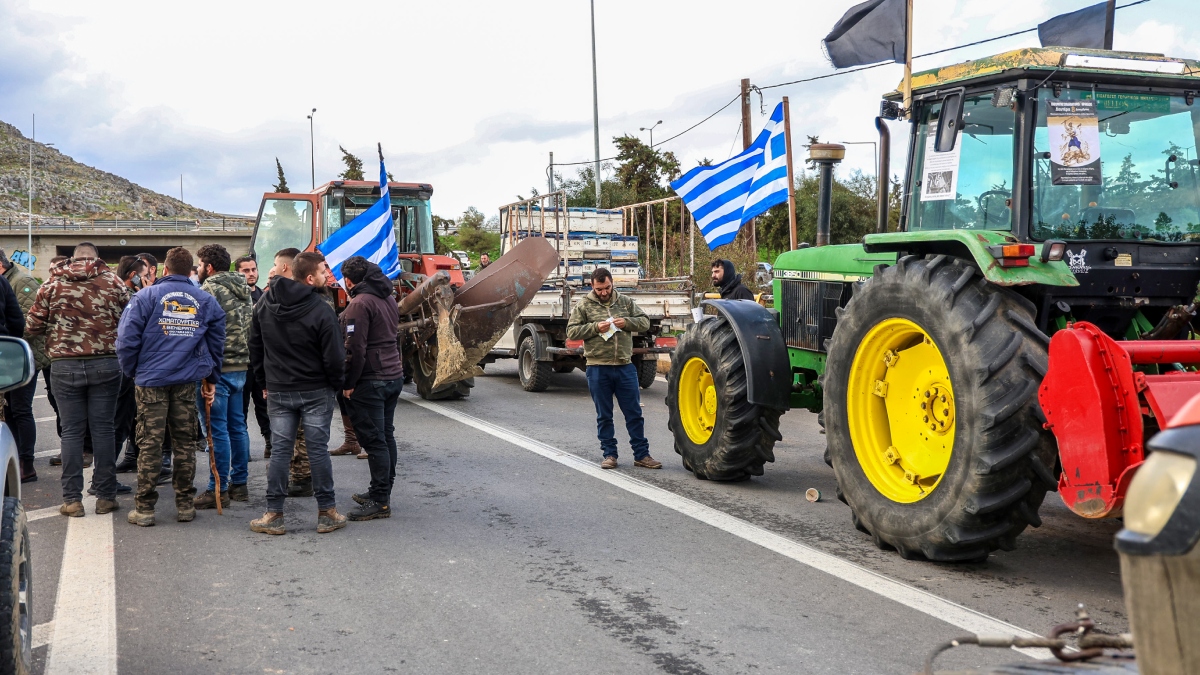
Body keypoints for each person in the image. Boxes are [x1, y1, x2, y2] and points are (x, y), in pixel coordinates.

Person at [118, 247, 224, 527]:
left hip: (151, 380)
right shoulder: (204, 299)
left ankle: (144, 508)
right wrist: (211, 377)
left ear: (165, 269)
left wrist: (133, 372)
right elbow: (217, 342)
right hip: (186, 380)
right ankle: (185, 504)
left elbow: (126, 339)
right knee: (184, 442)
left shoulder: (145, 296)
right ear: (190, 270)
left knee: (150, 442)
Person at [26, 242, 130, 517]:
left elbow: (32, 326)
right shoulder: (114, 282)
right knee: (104, 430)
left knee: (72, 432)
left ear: (74, 258)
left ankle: (72, 500)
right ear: (96, 258)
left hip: (64, 365)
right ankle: (106, 496)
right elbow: (131, 320)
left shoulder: (52, 283)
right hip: (106, 363)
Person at [249, 250, 346, 535]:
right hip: (316, 389)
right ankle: (327, 512)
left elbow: (255, 346)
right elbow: (334, 355)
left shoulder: (265, 302)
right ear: (308, 277)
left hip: (279, 388)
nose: (327, 275)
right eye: (323, 271)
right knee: (317, 451)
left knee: (280, 451)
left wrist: (264, 381)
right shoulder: (321, 308)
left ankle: (273, 514)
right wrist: (334, 383)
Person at [566, 268, 661, 470]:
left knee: (634, 413)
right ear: (592, 286)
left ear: (612, 284)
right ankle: (609, 454)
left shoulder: (625, 302)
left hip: (625, 366)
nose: (604, 292)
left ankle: (641, 455)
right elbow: (572, 332)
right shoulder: (583, 305)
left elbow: (644, 322)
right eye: (599, 289)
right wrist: (594, 328)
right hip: (597, 367)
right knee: (604, 415)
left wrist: (627, 322)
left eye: (607, 287)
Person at [337, 257, 403, 521]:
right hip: (392, 374)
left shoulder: (359, 303)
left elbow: (354, 349)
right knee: (385, 435)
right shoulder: (386, 297)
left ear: (349, 281)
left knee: (374, 440)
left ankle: (380, 499)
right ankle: (381, 491)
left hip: (372, 379)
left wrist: (348, 383)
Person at [194, 244, 252, 508]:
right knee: (237, 426)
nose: (197, 270)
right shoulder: (243, 287)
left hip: (218, 367)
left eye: (199, 265)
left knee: (216, 430)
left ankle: (218, 488)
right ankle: (240, 484)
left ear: (208, 267)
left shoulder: (209, 289)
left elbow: (203, 331)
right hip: (241, 365)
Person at [0, 249, 41, 483]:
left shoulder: (22, 281)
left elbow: (27, 322)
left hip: (18, 355)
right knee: (10, 411)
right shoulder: (6, 282)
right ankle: (14, 457)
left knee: (21, 409)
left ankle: (26, 462)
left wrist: (13, 347)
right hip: (10, 353)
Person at [236, 255, 272, 459]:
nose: (251, 274)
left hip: (262, 362)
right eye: (246, 270)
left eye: (253, 269)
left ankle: (270, 443)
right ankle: (243, 449)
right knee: (239, 410)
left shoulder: (264, 296)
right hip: (241, 362)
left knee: (264, 406)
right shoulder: (235, 298)